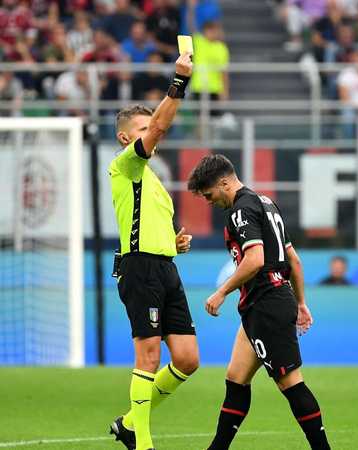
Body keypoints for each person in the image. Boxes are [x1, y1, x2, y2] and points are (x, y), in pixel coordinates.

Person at [187, 155, 331, 450]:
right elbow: (294, 260)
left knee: (291, 383)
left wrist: (221, 291)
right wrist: (301, 302)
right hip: (266, 302)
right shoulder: (266, 203)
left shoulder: (241, 211)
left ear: (224, 182)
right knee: (236, 378)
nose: (210, 202)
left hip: (267, 303)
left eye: (210, 194)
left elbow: (255, 259)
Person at [108, 53, 200, 450]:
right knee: (146, 358)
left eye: (151, 126)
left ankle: (129, 424)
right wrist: (178, 81)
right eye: (143, 129)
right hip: (139, 268)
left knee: (187, 359)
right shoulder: (124, 166)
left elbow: (147, 223)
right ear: (126, 138)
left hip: (165, 268)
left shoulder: (151, 181)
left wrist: (173, 243)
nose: (153, 133)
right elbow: (163, 124)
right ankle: (142, 443)